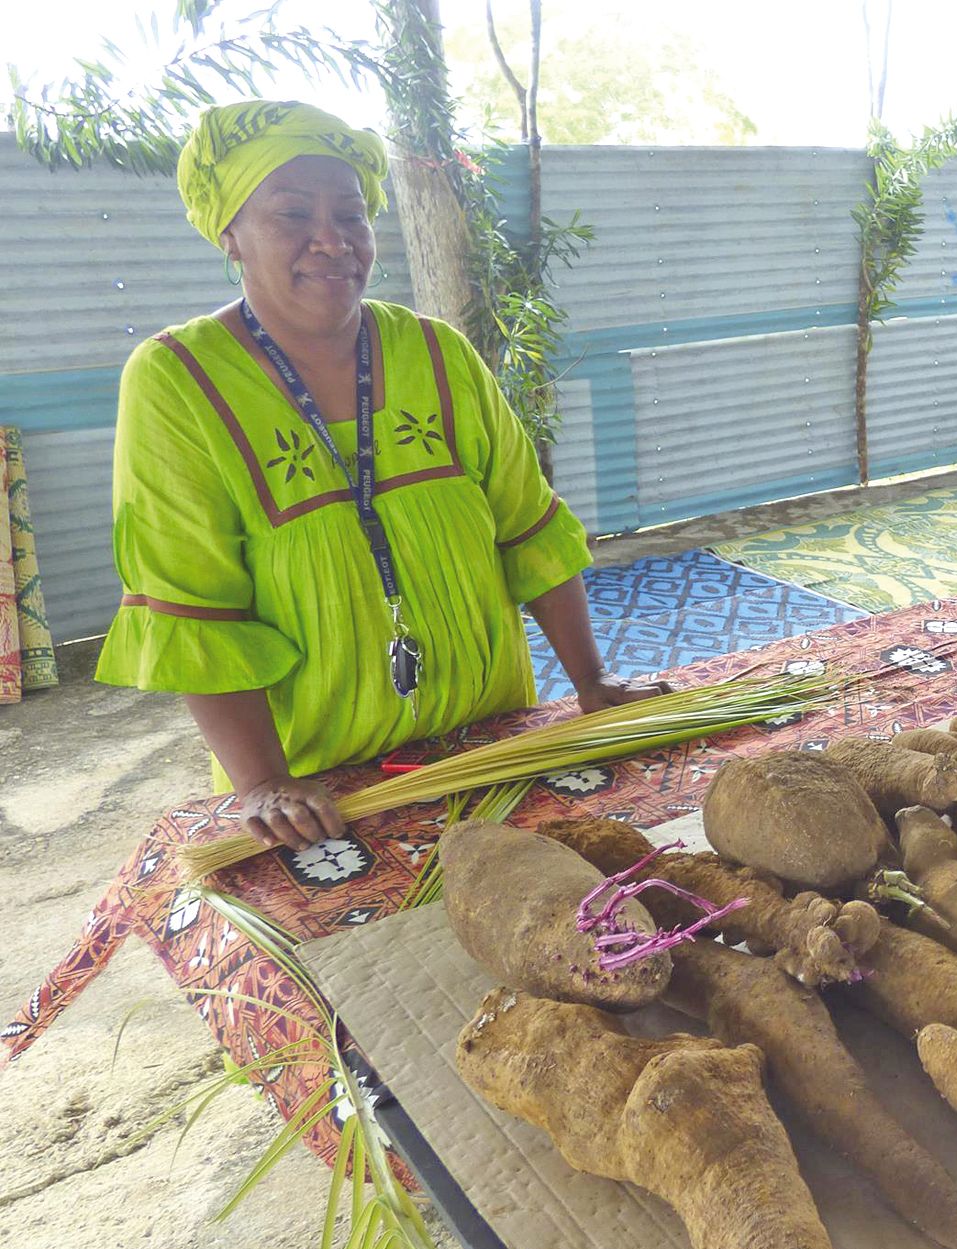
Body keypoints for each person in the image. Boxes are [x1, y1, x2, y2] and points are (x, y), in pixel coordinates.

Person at [96, 101, 664, 852]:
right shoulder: (178, 380)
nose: (331, 239)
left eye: (352, 214)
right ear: (229, 233)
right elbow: (191, 603)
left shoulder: (439, 354)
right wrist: (263, 780)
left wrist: (590, 682)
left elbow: (529, 528)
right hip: (321, 787)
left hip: (497, 738)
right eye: (293, 213)